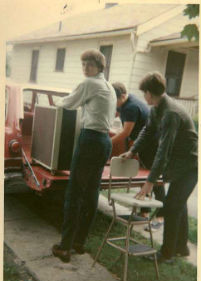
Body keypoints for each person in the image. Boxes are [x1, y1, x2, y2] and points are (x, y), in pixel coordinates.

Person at [120, 72, 198, 263]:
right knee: (177, 206)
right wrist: (132, 151)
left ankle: (166, 254)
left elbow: (163, 151)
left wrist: (150, 181)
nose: (143, 96)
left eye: (144, 93)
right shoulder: (157, 109)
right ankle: (181, 248)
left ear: (149, 93)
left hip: (189, 166)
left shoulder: (170, 113)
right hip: (178, 164)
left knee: (172, 207)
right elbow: (148, 131)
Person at [52, 49, 117, 263]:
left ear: (99, 67)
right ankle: (79, 242)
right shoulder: (110, 87)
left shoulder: (90, 84)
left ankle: (65, 247)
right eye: (83, 64)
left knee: (74, 193)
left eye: (89, 64)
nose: (85, 68)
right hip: (104, 142)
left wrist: (56, 102)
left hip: (90, 140)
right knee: (91, 193)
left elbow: (68, 103)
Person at [112, 82, 165, 230]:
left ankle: (161, 217)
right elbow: (114, 113)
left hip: (152, 145)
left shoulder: (130, 107)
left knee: (155, 179)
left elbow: (125, 133)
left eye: (114, 100)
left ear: (122, 96)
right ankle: (145, 212)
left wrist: (107, 142)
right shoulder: (124, 102)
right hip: (142, 144)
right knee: (144, 179)